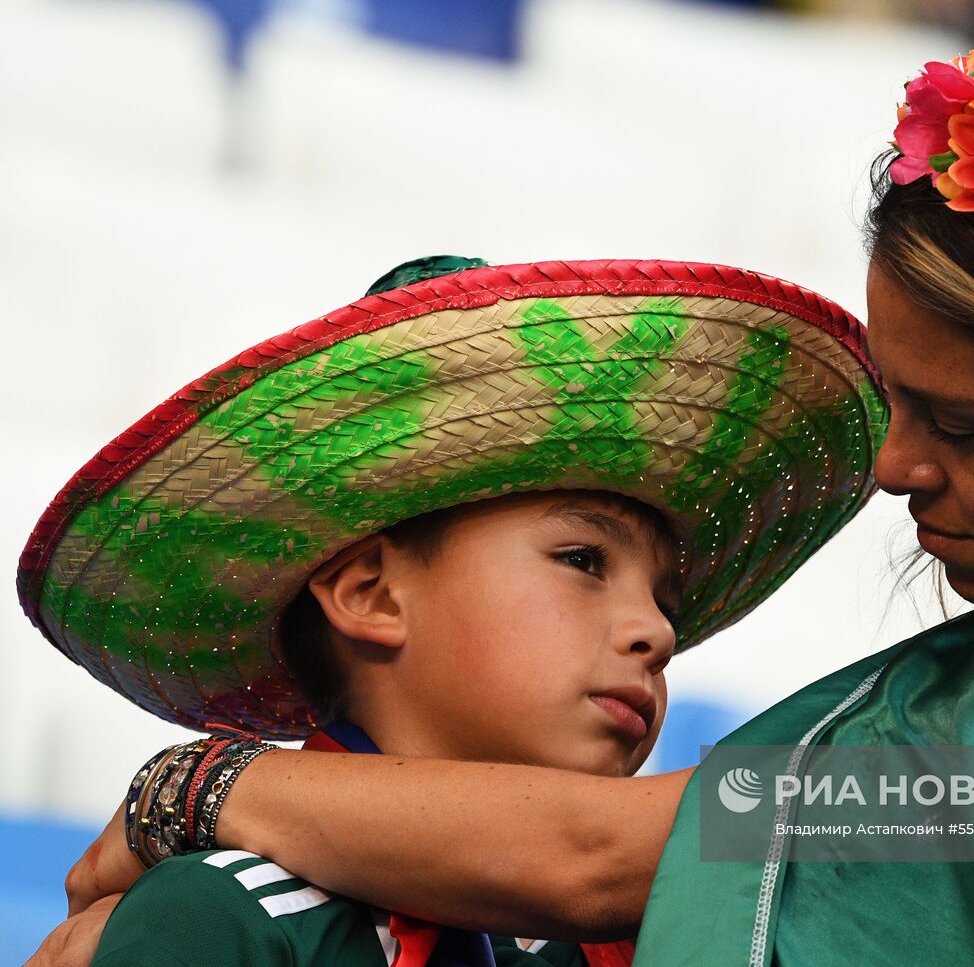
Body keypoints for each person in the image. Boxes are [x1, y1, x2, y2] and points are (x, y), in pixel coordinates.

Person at [35, 41, 974, 966]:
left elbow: (603, 855)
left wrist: (206, 781)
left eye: (966, 423)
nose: (893, 466)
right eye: (582, 557)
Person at [17, 255, 886, 966]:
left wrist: (202, 785)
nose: (657, 631)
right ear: (370, 593)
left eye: (664, 597)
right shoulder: (228, 916)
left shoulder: (655, 939)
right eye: (584, 561)